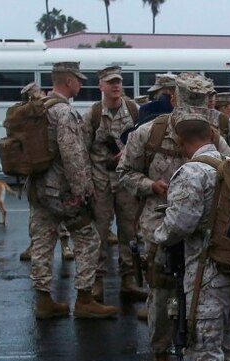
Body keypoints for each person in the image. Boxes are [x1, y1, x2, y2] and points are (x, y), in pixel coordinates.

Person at [119, 73, 228, 361]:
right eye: (189, 102)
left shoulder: (214, 135)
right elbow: (125, 173)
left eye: (201, 103)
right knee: (162, 302)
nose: (195, 111)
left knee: (198, 306)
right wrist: (151, 185)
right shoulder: (148, 133)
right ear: (176, 99)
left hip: (203, 236)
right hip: (160, 230)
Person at [151, 110, 230, 361]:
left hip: (205, 272)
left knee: (202, 343)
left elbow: (180, 223)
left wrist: (157, 236)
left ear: (180, 143)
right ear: (211, 135)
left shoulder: (193, 171)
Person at [28, 62, 117, 320]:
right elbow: (73, 154)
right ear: (68, 81)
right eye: (78, 79)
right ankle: (85, 299)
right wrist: (84, 190)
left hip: (39, 187)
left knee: (43, 241)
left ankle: (44, 300)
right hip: (63, 190)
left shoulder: (40, 108)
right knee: (88, 238)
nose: (81, 84)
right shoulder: (64, 112)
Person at [85, 65, 145, 303]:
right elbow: (81, 149)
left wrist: (129, 152)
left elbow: (143, 140)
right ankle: (96, 280)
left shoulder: (133, 110)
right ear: (101, 85)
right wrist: (84, 183)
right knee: (98, 232)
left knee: (129, 230)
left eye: (118, 81)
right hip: (100, 180)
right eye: (110, 82)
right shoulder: (93, 114)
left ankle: (128, 279)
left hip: (126, 180)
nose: (116, 86)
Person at [17, 82, 73, 264]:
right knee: (47, 211)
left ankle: (60, 245)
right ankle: (42, 245)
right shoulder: (40, 112)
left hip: (37, 171)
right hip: (48, 171)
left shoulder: (40, 111)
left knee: (40, 211)